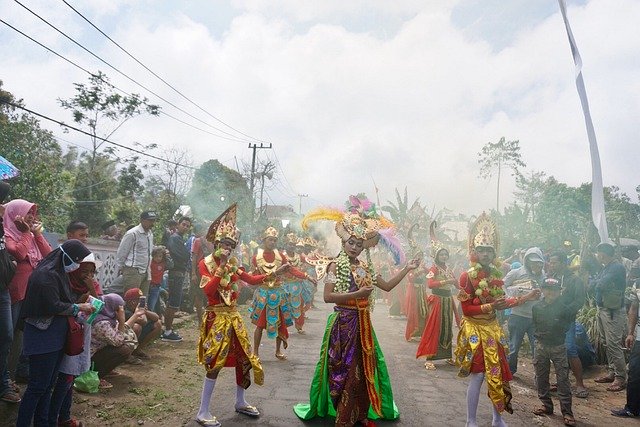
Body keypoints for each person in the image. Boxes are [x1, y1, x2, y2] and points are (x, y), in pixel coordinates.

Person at [294, 194, 420, 426]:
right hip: (343, 323)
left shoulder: (365, 266)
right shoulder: (335, 264)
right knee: (344, 369)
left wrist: (407, 268)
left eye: (359, 244)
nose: (354, 247)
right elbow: (327, 296)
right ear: (343, 242)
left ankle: (359, 413)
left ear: (364, 247)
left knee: (364, 368)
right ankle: (344, 415)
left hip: (362, 324)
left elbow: (388, 286)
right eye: (351, 242)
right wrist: (356, 296)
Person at [194, 204, 286, 427]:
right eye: (224, 244)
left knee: (243, 359)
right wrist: (221, 267)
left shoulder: (234, 266)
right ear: (216, 244)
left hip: (234, 317)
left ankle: (240, 400)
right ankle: (203, 411)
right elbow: (208, 290)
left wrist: (275, 272)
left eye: (231, 245)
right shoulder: (205, 264)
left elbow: (252, 280)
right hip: (216, 318)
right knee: (214, 363)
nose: (228, 248)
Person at [455, 213, 540, 427]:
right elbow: (466, 309)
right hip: (475, 329)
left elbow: (501, 302)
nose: (485, 253)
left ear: (494, 253)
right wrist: (491, 306)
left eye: (489, 250)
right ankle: (470, 421)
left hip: (492, 328)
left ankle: (497, 418)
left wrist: (526, 297)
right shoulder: (467, 276)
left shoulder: (495, 276)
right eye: (481, 249)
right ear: (474, 251)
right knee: (478, 375)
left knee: (498, 373)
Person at [15, 240, 96, 427]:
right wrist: (78, 307)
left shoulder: (59, 273)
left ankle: (43, 423)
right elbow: (52, 305)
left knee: (47, 386)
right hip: (43, 336)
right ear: (68, 257)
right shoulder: (45, 276)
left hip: (56, 335)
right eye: (78, 260)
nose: (78, 265)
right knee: (37, 387)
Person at [49, 253, 102, 427]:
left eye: (90, 272)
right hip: (65, 337)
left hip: (79, 338)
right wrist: (82, 298)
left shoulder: (90, 286)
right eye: (83, 270)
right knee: (64, 380)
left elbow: (96, 309)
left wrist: (90, 288)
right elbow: (68, 307)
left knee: (69, 380)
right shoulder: (65, 283)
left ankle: (64, 417)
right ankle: (55, 418)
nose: (87, 275)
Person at [4, 199, 52, 384]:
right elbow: (18, 253)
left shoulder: (30, 235)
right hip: (13, 294)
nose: (31, 217)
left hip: (28, 294)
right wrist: (25, 233)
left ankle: (11, 376)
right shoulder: (8, 234)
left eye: (33, 212)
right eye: (27, 213)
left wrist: (36, 234)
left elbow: (48, 255)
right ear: (14, 214)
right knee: (8, 336)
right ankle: (6, 377)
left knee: (19, 336)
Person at [249, 226, 316, 360]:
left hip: (278, 293)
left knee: (279, 322)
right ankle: (255, 351)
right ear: (264, 240)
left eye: (274, 240)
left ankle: (278, 350)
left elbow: (292, 270)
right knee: (260, 325)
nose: (272, 242)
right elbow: (254, 276)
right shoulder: (256, 257)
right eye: (270, 240)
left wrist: (307, 276)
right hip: (264, 293)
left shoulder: (281, 257)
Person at [531, 278, 576, 426]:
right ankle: (546, 405)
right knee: (541, 376)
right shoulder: (537, 307)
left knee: (563, 379)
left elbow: (566, 327)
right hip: (541, 346)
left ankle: (567, 412)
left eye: (554, 290)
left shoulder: (565, 309)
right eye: (547, 289)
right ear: (542, 290)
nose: (550, 292)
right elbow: (535, 324)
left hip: (558, 346)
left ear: (559, 291)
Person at [416, 222, 459, 365]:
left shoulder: (448, 269)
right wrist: (446, 281)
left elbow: (456, 284)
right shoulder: (433, 269)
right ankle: (430, 357)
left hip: (447, 301)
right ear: (437, 255)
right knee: (435, 327)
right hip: (437, 301)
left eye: (446, 254)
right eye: (441, 254)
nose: (444, 256)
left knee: (447, 328)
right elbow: (430, 284)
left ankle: (447, 356)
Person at [548, 250, 588, 398]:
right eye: (550, 262)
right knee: (556, 351)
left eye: (554, 262)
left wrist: (565, 311)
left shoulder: (574, 280)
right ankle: (561, 381)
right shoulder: (552, 278)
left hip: (566, 320)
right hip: (551, 321)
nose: (551, 265)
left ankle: (580, 384)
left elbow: (579, 301)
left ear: (564, 263)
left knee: (570, 349)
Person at [590, 242, 627, 392]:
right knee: (606, 343)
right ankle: (612, 372)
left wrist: (595, 283)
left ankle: (620, 377)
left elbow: (599, 285)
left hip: (613, 311)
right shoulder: (607, 267)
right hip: (604, 309)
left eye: (598, 253)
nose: (597, 256)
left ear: (603, 254)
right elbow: (595, 284)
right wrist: (595, 283)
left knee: (613, 344)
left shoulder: (616, 267)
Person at [503, 247, 545, 375]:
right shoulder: (516, 272)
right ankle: (510, 370)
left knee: (536, 347)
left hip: (535, 317)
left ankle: (539, 374)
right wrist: (516, 295)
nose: (535, 265)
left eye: (538, 262)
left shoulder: (543, 276)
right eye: (533, 262)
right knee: (514, 346)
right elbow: (503, 285)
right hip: (518, 315)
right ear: (527, 261)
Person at [90, 293, 144, 389]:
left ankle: (103, 370)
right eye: (120, 308)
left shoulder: (103, 316)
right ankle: (96, 375)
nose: (121, 310)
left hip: (93, 353)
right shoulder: (101, 323)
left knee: (124, 345)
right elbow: (118, 340)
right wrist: (122, 320)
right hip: (88, 359)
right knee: (124, 350)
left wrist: (136, 315)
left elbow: (120, 330)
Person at [0, 181, 20, 404]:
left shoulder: (4, 226)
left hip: (2, 290)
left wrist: (10, 264)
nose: (4, 205)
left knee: (6, 336)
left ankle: (3, 382)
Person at [611, 283, 640, 417]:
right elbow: (634, 308)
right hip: (639, 338)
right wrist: (630, 333)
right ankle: (632, 408)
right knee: (634, 371)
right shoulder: (638, 283)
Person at [162, 216, 192, 342]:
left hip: (179, 273)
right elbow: (183, 255)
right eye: (183, 224)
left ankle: (168, 329)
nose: (185, 227)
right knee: (173, 303)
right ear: (178, 224)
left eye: (187, 225)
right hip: (175, 273)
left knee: (174, 303)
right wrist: (186, 255)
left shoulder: (179, 238)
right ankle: (167, 331)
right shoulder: (175, 238)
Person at [115, 210, 157, 296]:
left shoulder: (150, 234)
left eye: (153, 221)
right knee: (131, 300)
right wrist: (123, 269)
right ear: (142, 220)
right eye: (150, 221)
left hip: (146, 271)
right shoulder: (132, 233)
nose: (152, 223)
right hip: (133, 270)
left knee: (142, 301)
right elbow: (121, 252)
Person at [123, 288, 162, 362]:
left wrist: (145, 311)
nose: (141, 302)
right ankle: (127, 355)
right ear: (132, 301)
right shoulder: (126, 311)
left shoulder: (140, 308)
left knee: (158, 323)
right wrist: (141, 311)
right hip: (124, 338)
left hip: (137, 336)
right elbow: (143, 321)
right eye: (139, 300)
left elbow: (156, 317)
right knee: (137, 327)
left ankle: (137, 350)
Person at [190, 223, 214, 326]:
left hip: (211, 271)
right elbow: (194, 258)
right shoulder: (198, 241)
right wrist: (193, 273)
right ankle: (200, 321)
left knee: (210, 296)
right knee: (199, 296)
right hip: (200, 272)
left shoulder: (213, 242)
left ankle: (210, 319)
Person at [148, 246, 172, 315]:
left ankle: (156, 317)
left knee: (153, 304)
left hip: (156, 287)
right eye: (156, 256)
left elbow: (171, 265)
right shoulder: (151, 262)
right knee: (149, 304)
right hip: (149, 285)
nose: (158, 258)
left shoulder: (163, 263)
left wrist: (167, 255)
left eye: (160, 256)